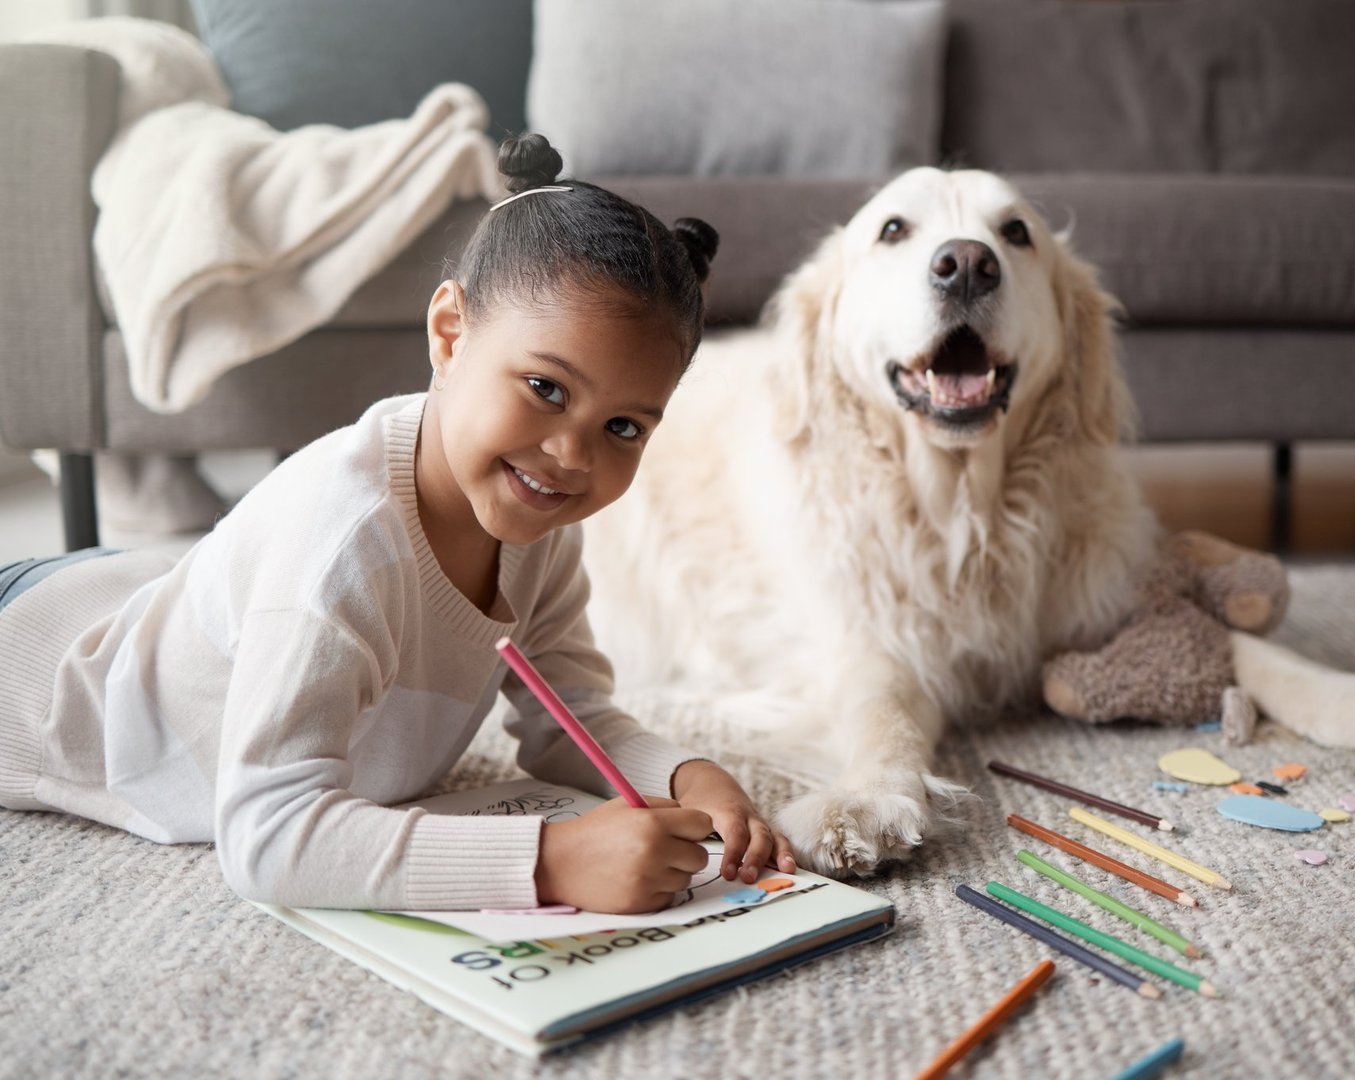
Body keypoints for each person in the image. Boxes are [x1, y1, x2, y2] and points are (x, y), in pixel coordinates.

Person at [0, 134, 795, 915]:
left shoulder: (542, 528)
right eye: (545, 389)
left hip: (135, 593)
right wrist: (549, 861)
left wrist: (688, 778)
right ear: (449, 334)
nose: (569, 455)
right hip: (35, 683)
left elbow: (570, 720)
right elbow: (267, 837)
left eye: (623, 428)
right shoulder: (341, 548)